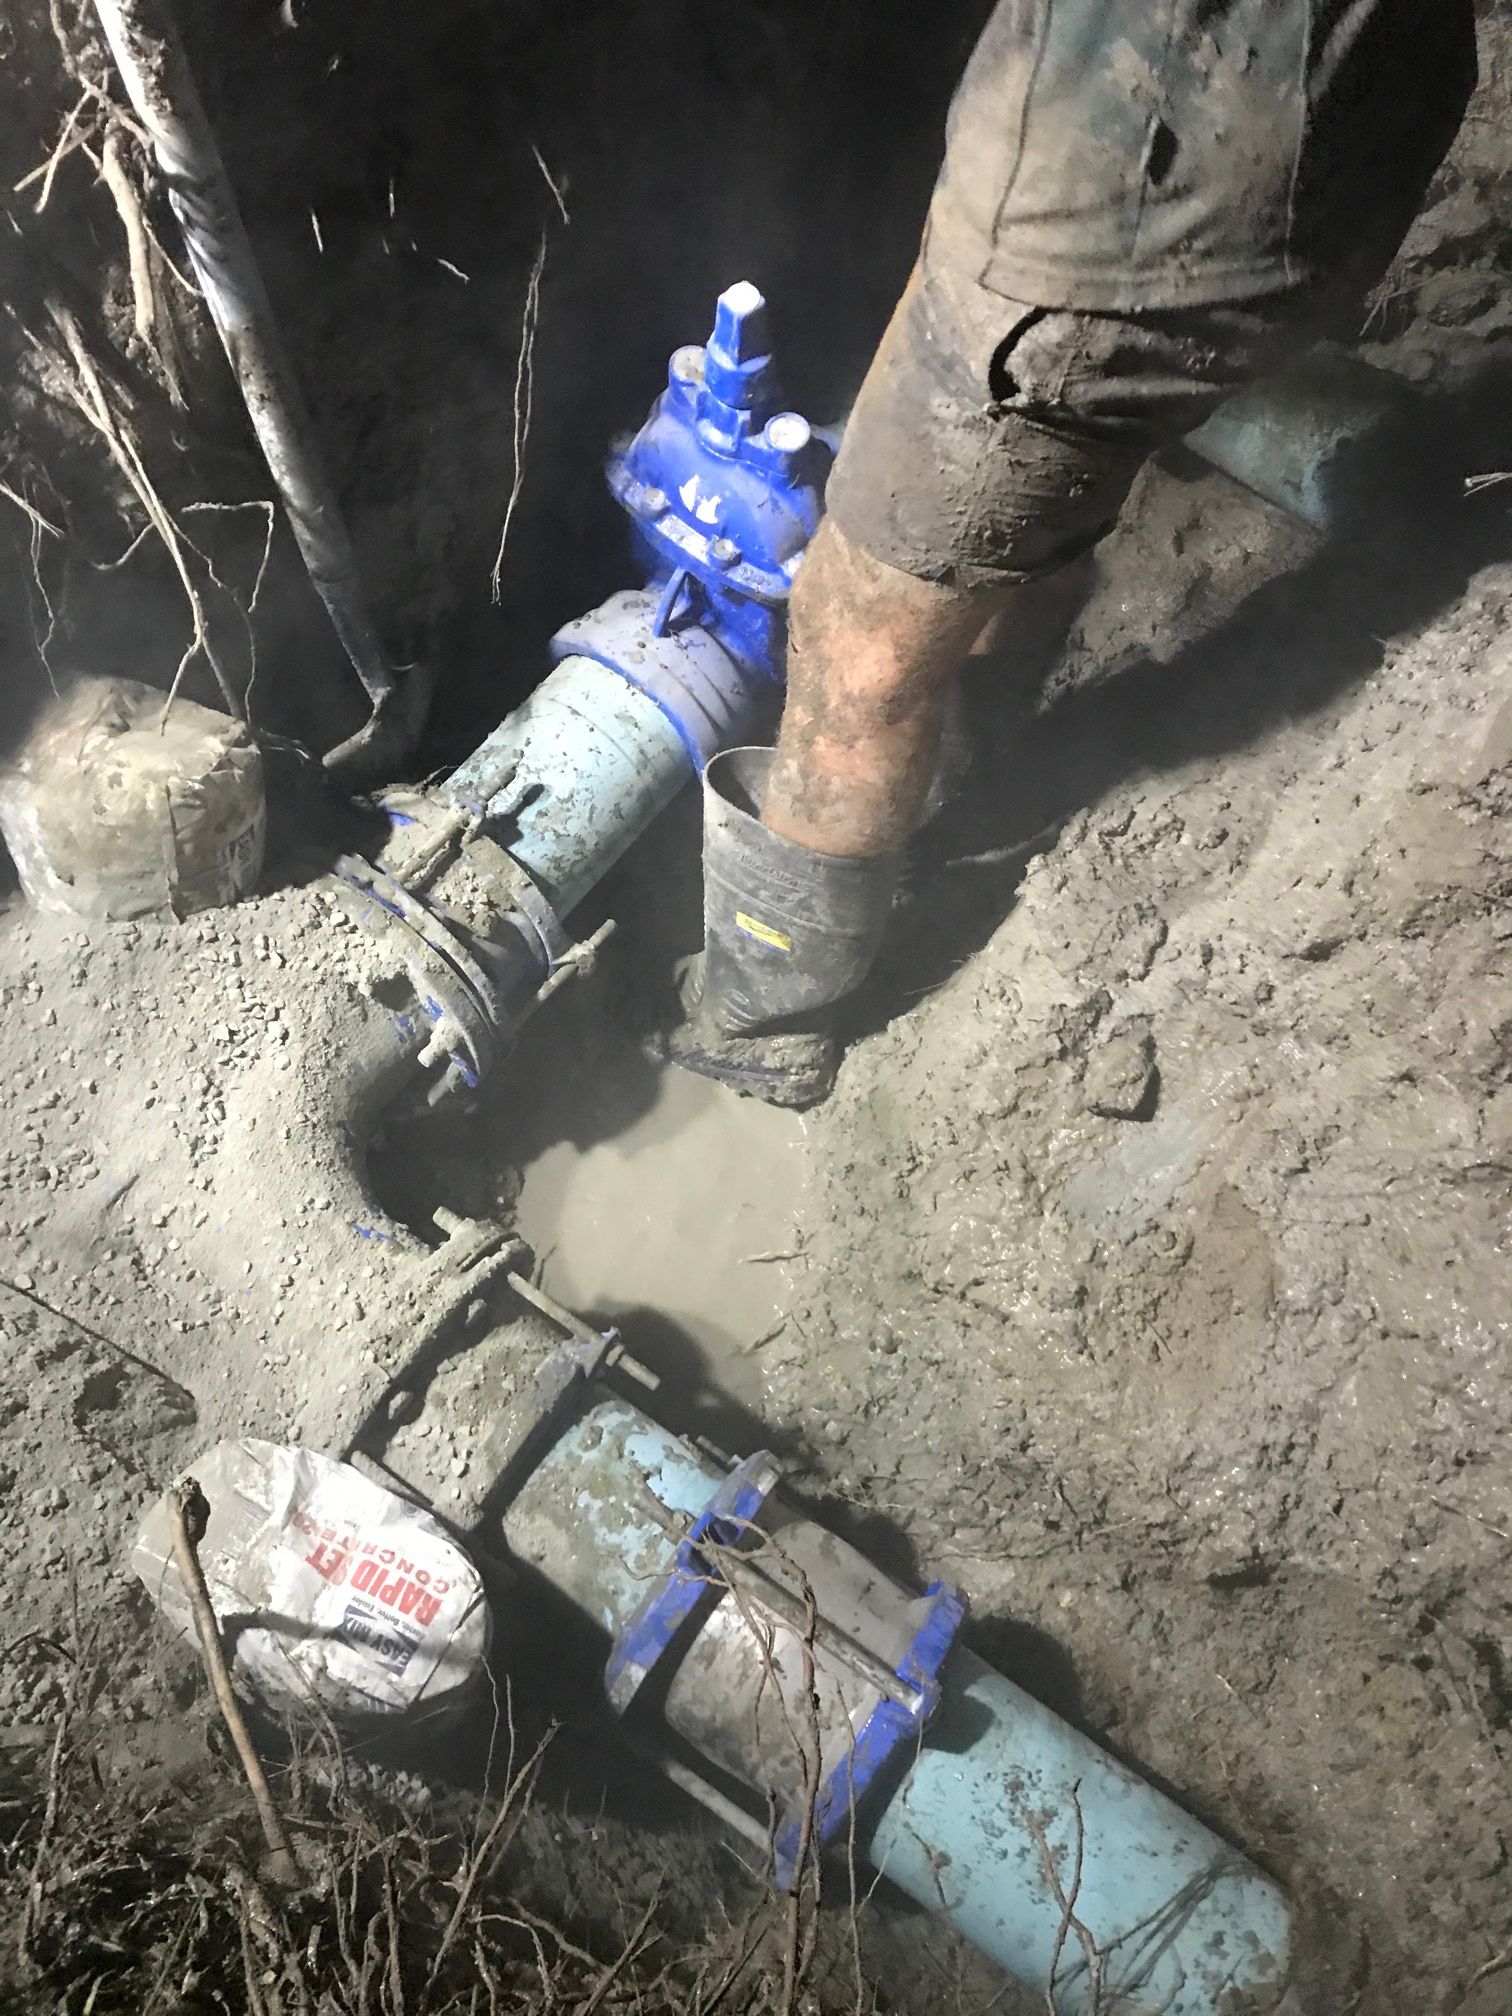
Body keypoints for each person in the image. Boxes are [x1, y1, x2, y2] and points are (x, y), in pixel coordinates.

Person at [668, 0, 1477, 1109]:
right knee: (1037, 449)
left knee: (858, 638)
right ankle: (964, 758)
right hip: (1336, 103)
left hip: (1157, 139)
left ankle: (761, 1021)